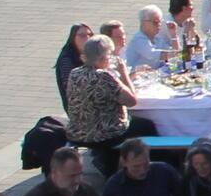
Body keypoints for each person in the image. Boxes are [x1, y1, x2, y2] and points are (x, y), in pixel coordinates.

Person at [65, 35, 152, 163]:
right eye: (109, 55)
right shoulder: (104, 76)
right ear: (102, 57)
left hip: (77, 132)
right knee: (147, 126)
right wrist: (122, 73)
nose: (111, 58)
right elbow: (132, 101)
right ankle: (139, 162)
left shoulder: (74, 73)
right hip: (105, 134)